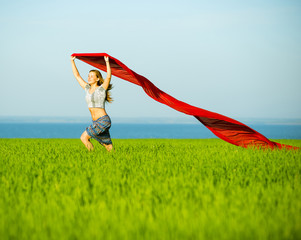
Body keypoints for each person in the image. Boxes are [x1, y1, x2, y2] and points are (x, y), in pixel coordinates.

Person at [71, 56, 113, 152]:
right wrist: (72, 61)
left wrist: (107, 62)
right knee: (108, 147)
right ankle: (116, 160)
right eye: (88, 75)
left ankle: (92, 156)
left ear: (97, 79)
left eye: (92, 76)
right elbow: (77, 75)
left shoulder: (101, 89)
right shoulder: (87, 88)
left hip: (103, 121)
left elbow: (109, 76)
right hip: (96, 122)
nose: (89, 77)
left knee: (84, 138)